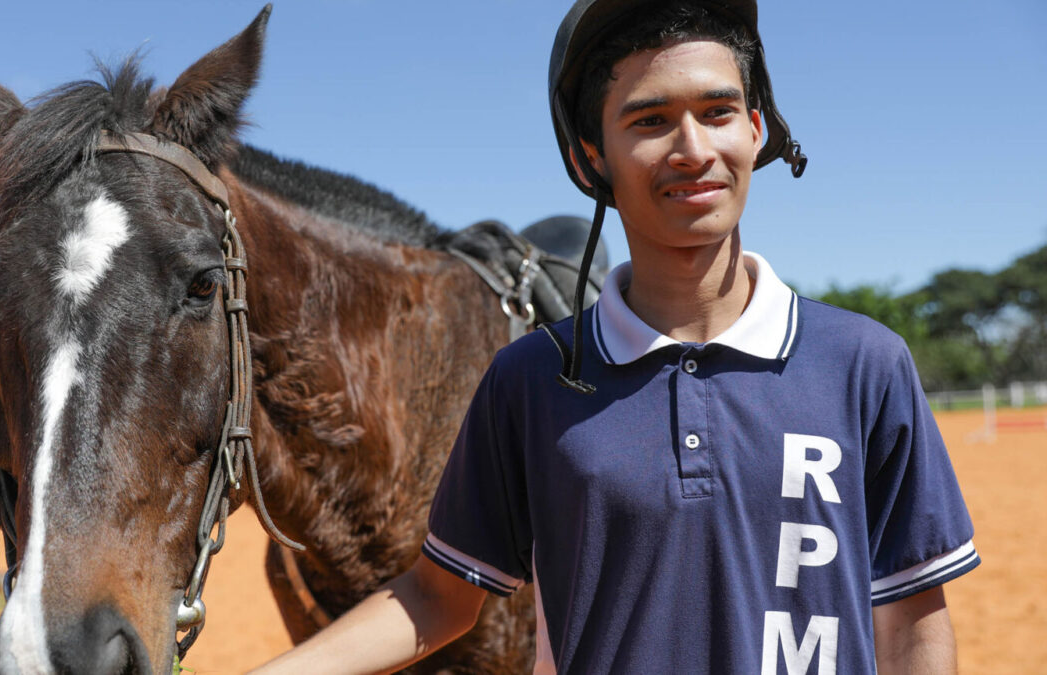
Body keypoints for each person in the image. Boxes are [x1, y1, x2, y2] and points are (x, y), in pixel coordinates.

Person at [252, 1, 979, 672]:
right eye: (650, 120)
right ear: (589, 157)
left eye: (718, 111)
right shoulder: (531, 378)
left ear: (755, 131)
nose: (693, 148)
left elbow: (913, 616)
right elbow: (437, 597)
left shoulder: (865, 363)